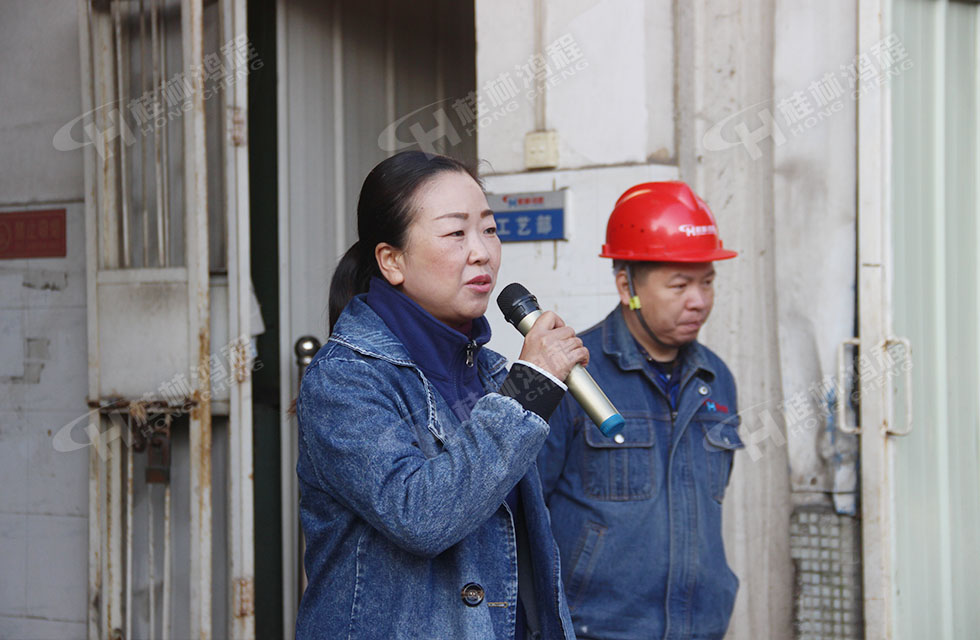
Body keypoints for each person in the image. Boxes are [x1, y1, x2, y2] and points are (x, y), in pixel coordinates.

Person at [295, 150, 585, 639]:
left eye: (489, 229)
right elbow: (420, 516)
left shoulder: (492, 373)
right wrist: (531, 387)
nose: (482, 252)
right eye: (455, 233)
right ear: (392, 261)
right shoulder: (344, 379)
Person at [536, 182, 745, 640]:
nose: (699, 300)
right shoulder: (573, 376)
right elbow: (524, 512)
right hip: (596, 630)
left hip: (701, 629)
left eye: (707, 281)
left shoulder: (717, 379)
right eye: (680, 284)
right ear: (626, 284)